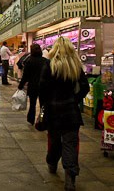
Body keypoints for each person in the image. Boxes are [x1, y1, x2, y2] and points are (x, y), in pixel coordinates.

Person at [39, 37, 89, 191]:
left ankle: (52, 162)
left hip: (53, 111)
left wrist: (43, 106)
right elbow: (85, 87)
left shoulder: (49, 65)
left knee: (55, 141)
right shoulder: (75, 66)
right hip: (71, 112)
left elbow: (43, 89)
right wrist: (75, 99)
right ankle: (70, 178)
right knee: (70, 144)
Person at [18, 44, 48, 125]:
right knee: (42, 105)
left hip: (32, 86)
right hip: (43, 86)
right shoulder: (45, 61)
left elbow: (25, 76)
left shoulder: (29, 61)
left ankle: (31, 119)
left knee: (32, 104)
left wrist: (20, 85)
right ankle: (42, 120)